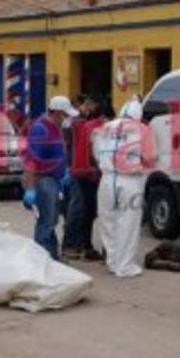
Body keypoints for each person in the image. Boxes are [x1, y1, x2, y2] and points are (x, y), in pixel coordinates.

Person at [94, 97, 155, 277]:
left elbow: (97, 153)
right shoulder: (143, 129)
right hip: (130, 180)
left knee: (108, 222)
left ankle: (112, 261)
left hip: (106, 179)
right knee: (128, 223)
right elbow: (150, 157)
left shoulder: (105, 128)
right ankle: (125, 265)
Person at [22, 95, 78, 260]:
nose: (68, 119)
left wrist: (63, 172)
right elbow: (31, 161)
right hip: (43, 181)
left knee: (51, 220)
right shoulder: (41, 128)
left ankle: (52, 256)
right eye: (66, 115)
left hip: (53, 180)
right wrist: (30, 189)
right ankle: (42, 258)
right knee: (46, 221)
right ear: (58, 112)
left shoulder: (54, 127)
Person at [67, 96, 106, 260]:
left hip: (79, 171)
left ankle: (80, 245)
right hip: (88, 173)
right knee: (86, 211)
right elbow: (95, 152)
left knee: (84, 210)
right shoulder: (93, 127)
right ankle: (81, 246)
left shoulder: (83, 125)